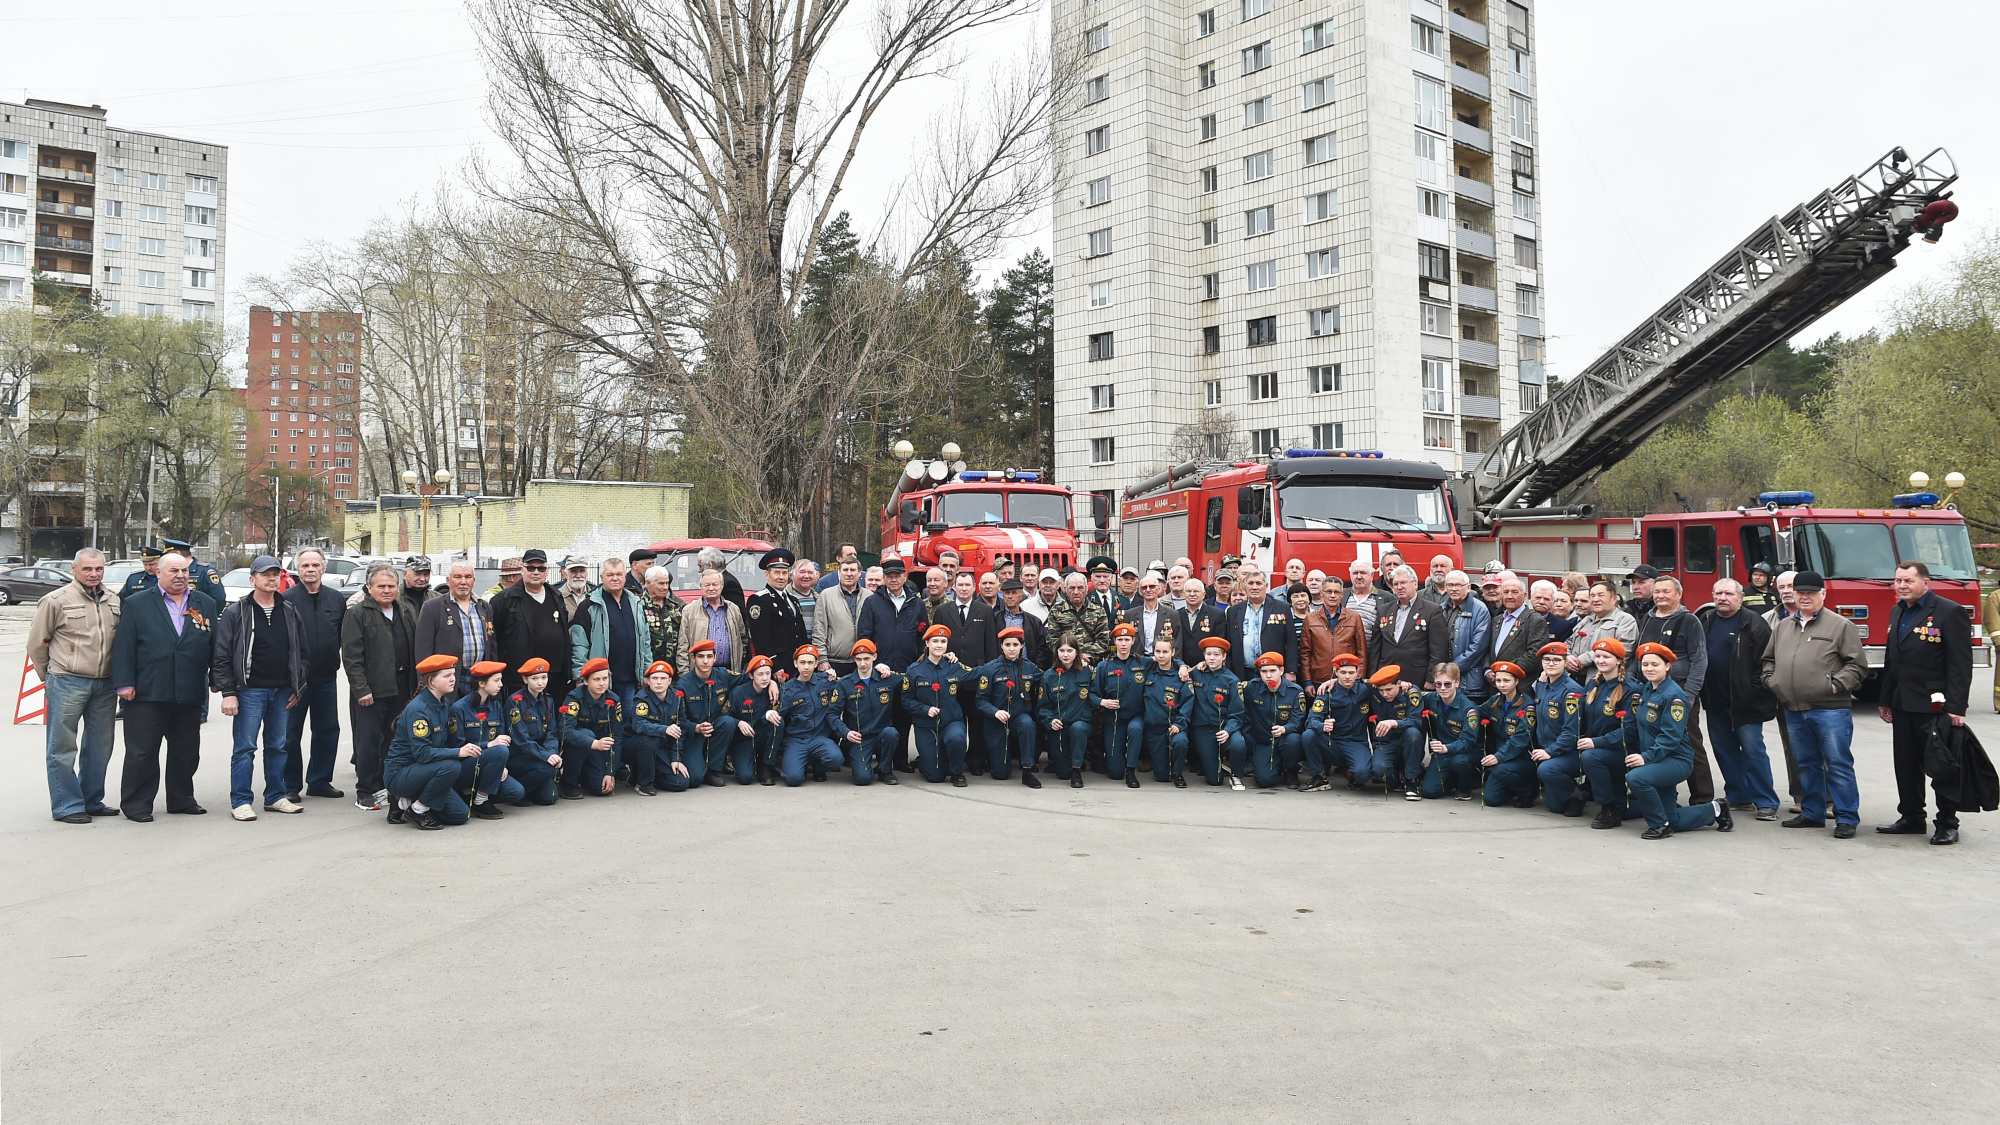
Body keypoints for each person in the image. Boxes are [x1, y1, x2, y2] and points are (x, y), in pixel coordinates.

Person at [112, 552, 217, 820]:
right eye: (173, 571)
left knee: (186, 751)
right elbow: (124, 646)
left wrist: (219, 680)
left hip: (189, 690)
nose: (180, 576)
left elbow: (214, 645)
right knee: (142, 752)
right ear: (158, 573)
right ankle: (137, 804)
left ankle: (181, 799)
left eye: (184, 571)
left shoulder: (204, 603)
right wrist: (124, 683)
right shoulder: (137, 603)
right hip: (148, 691)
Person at [1875, 561, 1973, 845]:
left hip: (1935, 705)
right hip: (1902, 703)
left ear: (1926, 582)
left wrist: (1957, 707)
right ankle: (1911, 816)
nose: (1902, 586)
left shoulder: (1949, 612)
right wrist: (1885, 700)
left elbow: (1960, 665)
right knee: (1905, 765)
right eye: (1898, 580)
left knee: (1941, 765)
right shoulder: (1897, 611)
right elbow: (1891, 660)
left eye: (1908, 581)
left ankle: (1947, 823)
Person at [1762, 571, 1866, 838]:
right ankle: (1812, 813)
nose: (1804, 597)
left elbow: (1857, 665)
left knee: (1838, 763)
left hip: (1830, 709)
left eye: (1810, 592)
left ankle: (1846, 818)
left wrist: (1836, 685)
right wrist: (1773, 681)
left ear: (1823, 594)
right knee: (1806, 763)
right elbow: (1769, 659)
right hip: (1794, 708)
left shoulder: (1840, 626)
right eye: (1800, 592)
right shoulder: (1783, 626)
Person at [211, 556, 307, 820]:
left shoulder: (289, 610)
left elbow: (302, 653)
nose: (272, 578)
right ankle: (241, 801)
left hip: (282, 692)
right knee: (245, 748)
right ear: (253, 579)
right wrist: (229, 693)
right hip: (249, 691)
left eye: (276, 574)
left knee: (278, 746)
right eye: (266, 574)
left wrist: (298, 686)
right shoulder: (236, 612)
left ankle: (276, 796)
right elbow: (221, 656)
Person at [32, 549, 122, 823]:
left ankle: (91, 799)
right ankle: (67, 806)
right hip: (67, 681)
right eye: (87, 569)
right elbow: (36, 643)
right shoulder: (56, 600)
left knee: (100, 746)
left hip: (105, 685)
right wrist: (50, 676)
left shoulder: (114, 601)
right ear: (74, 569)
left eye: (99, 569)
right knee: (62, 747)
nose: (94, 574)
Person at [1624, 643, 1732, 840]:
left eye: (1655, 664)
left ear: (1667, 666)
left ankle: (1659, 826)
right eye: (1645, 664)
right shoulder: (1648, 688)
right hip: (1658, 759)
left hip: (1675, 760)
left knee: (1636, 778)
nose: (1649, 668)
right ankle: (1716, 809)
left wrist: (1645, 758)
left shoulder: (1674, 696)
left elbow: (1670, 737)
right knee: (1674, 820)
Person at [1696, 578, 1781, 822]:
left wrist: (1754, 690)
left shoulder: (1754, 623)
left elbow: (1766, 662)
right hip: (1715, 701)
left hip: (1746, 703)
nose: (1723, 598)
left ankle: (1766, 801)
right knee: (1725, 751)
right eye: (1718, 593)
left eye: (1728, 594)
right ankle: (1738, 794)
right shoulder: (1706, 620)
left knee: (1754, 752)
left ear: (1740, 597)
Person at [341, 563, 416, 811]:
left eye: (391, 586)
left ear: (398, 587)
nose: (386, 590)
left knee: (393, 741)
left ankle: (389, 786)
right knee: (368, 742)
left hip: (401, 689)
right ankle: (366, 791)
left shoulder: (404, 611)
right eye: (381, 586)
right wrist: (361, 689)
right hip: (372, 691)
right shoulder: (358, 614)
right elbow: (352, 657)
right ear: (370, 587)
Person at [1635, 576, 1714, 805]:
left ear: (1679, 594)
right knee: (1652, 741)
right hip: (1650, 690)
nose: (1660, 596)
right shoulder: (1647, 619)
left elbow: (1699, 660)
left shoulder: (1689, 621)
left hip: (1678, 691)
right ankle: (1663, 797)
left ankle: (1703, 798)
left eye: (1666, 592)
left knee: (1689, 742)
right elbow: (1638, 655)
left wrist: (1689, 694)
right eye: (1657, 591)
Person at [276, 548, 347, 803]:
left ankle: (319, 781)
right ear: (298, 569)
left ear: (323, 569)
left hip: (327, 678)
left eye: (315, 565)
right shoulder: (284, 599)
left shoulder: (336, 599)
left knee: (327, 730)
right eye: (305, 565)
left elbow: (342, 636)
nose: (310, 569)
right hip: (295, 681)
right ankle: (290, 784)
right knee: (290, 733)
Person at [384, 654, 482, 830]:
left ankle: (403, 803)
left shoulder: (443, 703)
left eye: (453, 674)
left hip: (425, 771)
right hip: (402, 773)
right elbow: (422, 754)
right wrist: (458, 752)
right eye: (446, 676)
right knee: (452, 766)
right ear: (431, 681)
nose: (453, 679)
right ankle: (417, 809)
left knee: (459, 815)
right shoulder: (419, 710)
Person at [855, 557, 926, 769]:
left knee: (904, 716)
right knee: (881, 715)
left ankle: (901, 759)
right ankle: (882, 759)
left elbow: (923, 638)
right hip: (880, 669)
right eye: (889, 576)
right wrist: (873, 663)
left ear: (904, 577)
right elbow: (864, 635)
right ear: (883, 579)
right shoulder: (872, 602)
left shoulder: (917, 603)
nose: (893, 580)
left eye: (897, 576)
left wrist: (918, 664)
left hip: (907, 670)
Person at [570, 556, 650, 728]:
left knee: (627, 723)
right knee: (602, 725)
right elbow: (579, 645)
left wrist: (646, 671)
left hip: (630, 679)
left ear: (625, 576)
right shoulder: (589, 605)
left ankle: (622, 755)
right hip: (601, 680)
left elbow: (645, 642)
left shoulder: (635, 603)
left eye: (619, 574)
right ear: (602, 578)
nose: (615, 578)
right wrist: (579, 675)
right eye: (610, 575)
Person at [446, 660, 526, 816]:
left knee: (516, 792)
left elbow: (502, 737)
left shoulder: (495, 706)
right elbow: (457, 746)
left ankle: (472, 796)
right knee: (499, 750)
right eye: (496, 680)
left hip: (489, 765)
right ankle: (480, 801)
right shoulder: (459, 709)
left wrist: (500, 765)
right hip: (464, 767)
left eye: (501, 680)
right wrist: (488, 745)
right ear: (481, 683)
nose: (501, 684)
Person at [492, 548, 574, 701]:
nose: (536, 572)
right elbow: (494, 640)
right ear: (522, 570)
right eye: (531, 568)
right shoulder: (504, 600)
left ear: (547, 571)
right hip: (521, 680)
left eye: (541, 568)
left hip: (555, 677)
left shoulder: (556, 596)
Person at [1577, 639, 1637, 828]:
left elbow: (1629, 731)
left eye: (1606, 657)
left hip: (1622, 750)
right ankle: (1620, 805)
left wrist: (1596, 742)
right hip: (1603, 748)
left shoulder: (1631, 689)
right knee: (1625, 808)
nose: (1601, 660)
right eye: (1598, 656)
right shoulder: (1594, 685)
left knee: (1590, 757)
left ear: (1619, 660)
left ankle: (1608, 809)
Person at [904, 624, 972, 785]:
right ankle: (931, 761)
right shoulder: (914, 670)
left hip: (951, 721)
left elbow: (978, 672)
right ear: (927, 643)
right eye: (935, 641)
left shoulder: (954, 666)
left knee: (956, 738)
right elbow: (906, 700)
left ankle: (957, 772)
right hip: (926, 726)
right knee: (935, 776)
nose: (939, 645)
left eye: (943, 641)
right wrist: (925, 709)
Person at [974, 626, 1042, 786]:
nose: (1012, 649)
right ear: (1001, 646)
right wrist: (995, 712)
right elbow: (980, 700)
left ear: (1022, 646)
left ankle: (1027, 770)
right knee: (1001, 774)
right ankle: (996, 759)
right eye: (1007, 645)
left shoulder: (1029, 667)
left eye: (1015, 645)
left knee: (1028, 724)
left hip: (1019, 717)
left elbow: (1048, 677)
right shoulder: (990, 669)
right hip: (996, 721)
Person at [772, 645, 848, 786]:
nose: (806, 667)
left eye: (810, 663)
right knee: (793, 780)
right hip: (797, 739)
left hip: (820, 737)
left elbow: (848, 683)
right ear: (795, 663)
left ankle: (819, 768)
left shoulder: (827, 682)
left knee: (836, 759)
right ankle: (798, 763)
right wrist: (771, 712)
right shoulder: (788, 690)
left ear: (816, 664)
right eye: (802, 662)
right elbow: (778, 714)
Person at [416, 562, 493, 699]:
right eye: (457, 577)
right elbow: (423, 650)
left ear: (473, 580)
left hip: (478, 679)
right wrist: (426, 684)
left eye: (468, 577)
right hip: (447, 679)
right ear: (448, 580)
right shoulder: (433, 607)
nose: (463, 582)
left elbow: (491, 643)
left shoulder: (484, 607)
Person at [1370, 566, 1450, 691]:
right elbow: (1375, 648)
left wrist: (1431, 678)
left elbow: (1438, 649)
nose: (1399, 587)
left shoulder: (1432, 610)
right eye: (1395, 584)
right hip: (1386, 678)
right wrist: (1373, 676)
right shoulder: (1384, 610)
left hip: (1417, 677)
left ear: (1415, 584)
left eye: (1403, 582)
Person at [1526, 643, 1584, 814]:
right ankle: (1571, 789)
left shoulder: (1572, 691)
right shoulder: (1542, 684)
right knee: (1555, 807)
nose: (1551, 664)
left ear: (1565, 663)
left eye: (1557, 660)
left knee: (1546, 770)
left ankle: (1578, 795)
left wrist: (1550, 752)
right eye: (1547, 660)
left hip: (1568, 752)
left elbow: (1571, 732)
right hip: (1548, 751)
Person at [1409, 662, 1480, 800]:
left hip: (1464, 753)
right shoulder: (1432, 699)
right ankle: (1453, 778)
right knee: (1429, 791)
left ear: (1457, 683)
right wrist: (1408, 686)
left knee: (1460, 762)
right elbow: (1414, 697)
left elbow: (1468, 741)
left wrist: (1446, 748)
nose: (1442, 688)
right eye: (1438, 684)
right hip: (1443, 753)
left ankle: (1465, 786)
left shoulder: (1469, 709)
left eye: (1447, 684)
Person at [1181, 636, 1245, 788]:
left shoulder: (1232, 681)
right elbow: (1181, 671)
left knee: (1238, 744)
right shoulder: (1197, 673)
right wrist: (1189, 665)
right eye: (1208, 654)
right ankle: (1218, 765)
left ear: (1224, 657)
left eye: (1216, 654)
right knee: (1214, 781)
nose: (1212, 658)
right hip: (1203, 728)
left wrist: (1228, 731)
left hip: (1225, 726)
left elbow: (1237, 713)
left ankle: (1236, 775)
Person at [673, 639, 736, 787]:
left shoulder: (723, 675)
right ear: (693, 659)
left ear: (715, 658)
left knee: (728, 722)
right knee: (694, 779)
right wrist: (695, 728)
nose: (705, 661)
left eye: (709, 656)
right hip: (693, 735)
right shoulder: (683, 685)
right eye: (701, 657)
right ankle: (699, 766)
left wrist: (771, 683)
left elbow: (750, 677)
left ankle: (712, 770)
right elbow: (676, 719)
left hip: (715, 729)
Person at [558, 657, 624, 798]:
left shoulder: (613, 700)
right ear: (586, 681)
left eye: (605, 678)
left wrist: (610, 772)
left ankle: (585, 775)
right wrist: (593, 743)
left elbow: (617, 737)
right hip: (577, 747)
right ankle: (568, 783)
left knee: (600, 788)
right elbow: (565, 731)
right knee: (587, 734)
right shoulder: (574, 698)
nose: (602, 683)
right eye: (596, 679)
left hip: (598, 748)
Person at [1302, 653, 1369, 790]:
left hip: (1356, 742)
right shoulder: (1327, 692)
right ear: (1336, 672)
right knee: (1309, 735)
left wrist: (1404, 684)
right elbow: (1311, 720)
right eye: (1343, 672)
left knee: (1363, 775)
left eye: (1351, 672)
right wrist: (1322, 726)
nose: (1347, 676)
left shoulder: (1366, 689)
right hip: (1333, 743)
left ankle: (1350, 770)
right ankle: (1319, 777)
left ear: (1358, 673)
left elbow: (1387, 683)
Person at [838, 639, 899, 785]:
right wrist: (845, 732)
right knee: (862, 779)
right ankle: (862, 766)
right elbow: (832, 714)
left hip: (881, 735)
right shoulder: (845, 683)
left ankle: (885, 771)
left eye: (866, 658)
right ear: (854, 659)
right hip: (859, 738)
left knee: (891, 733)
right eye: (858, 659)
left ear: (875, 657)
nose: (863, 663)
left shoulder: (887, 678)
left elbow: (912, 677)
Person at [1241, 651, 1306, 789]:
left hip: (1285, 738)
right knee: (1264, 781)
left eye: (1272, 670)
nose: (1268, 675)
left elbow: (1297, 721)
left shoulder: (1295, 691)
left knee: (1293, 740)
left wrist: (1285, 729)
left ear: (1281, 670)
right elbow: (1231, 685)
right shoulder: (1252, 687)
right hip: (1264, 741)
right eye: (1264, 671)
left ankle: (1290, 770)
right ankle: (1275, 768)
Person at [1478, 661, 1538, 808]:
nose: (1502, 684)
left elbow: (1519, 740)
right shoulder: (1495, 701)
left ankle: (1529, 791)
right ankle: (1514, 788)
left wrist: (1498, 757)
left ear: (1516, 681)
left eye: (1507, 680)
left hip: (1523, 759)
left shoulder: (1527, 706)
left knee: (1499, 770)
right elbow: (1475, 712)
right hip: (1504, 759)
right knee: (1492, 799)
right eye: (1498, 680)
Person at [503, 657, 562, 805]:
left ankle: (528, 790)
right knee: (548, 770)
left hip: (539, 755)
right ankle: (518, 792)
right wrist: (545, 756)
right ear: (525, 679)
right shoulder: (515, 701)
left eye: (544, 677)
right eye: (534, 678)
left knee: (549, 798)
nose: (540, 682)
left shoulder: (549, 700)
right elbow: (521, 739)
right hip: (521, 756)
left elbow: (551, 732)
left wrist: (552, 753)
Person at [1093, 623, 1147, 786]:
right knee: (1115, 773)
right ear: (1114, 642)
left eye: (1127, 639)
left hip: (1135, 715)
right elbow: (1091, 694)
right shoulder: (1104, 666)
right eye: (1120, 640)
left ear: (1133, 641)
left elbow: (1166, 660)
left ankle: (1131, 770)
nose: (1123, 644)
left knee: (1136, 729)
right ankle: (1119, 761)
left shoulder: (1143, 662)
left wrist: (1181, 666)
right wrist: (1102, 701)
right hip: (1113, 718)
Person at [1222, 567, 1297, 682]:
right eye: (1251, 583)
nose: (1254, 587)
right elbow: (1229, 644)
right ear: (1245, 585)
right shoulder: (1234, 611)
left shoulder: (1282, 608)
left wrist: (1290, 671)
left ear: (1266, 586)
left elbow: (1291, 641)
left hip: (1273, 672)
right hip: (1243, 673)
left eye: (1259, 583)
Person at [1135, 635, 1192, 786]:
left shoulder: (1182, 676)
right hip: (1154, 730)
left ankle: (1178, 773)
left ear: (1173, 652)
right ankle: (1164, 766)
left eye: (1165, 652)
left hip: (1174, 727)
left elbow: (1188, 703)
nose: (1161, 655)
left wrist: (1179, 724)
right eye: (1157, 651)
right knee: (1162, 777)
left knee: (1180, 742)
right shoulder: (1147, 669)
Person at [622, 658, 682, 795]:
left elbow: (680, 729)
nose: (659, 682)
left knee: (679, 783)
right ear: (648, 681)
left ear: (670, 680)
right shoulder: (641, 699)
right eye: (654, 678)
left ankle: (650, 774)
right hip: (636, 747)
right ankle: (644, 783)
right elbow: (639, 725)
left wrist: (676, 758)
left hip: (661, 747)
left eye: (663, 678)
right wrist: (664, 729)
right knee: (650, 738)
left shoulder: (677, 698)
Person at [746, 549, 809, 678]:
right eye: (776, 573)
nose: (781, 577)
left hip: (797, 665)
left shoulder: (793, 600)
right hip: (778, 667)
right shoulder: (759, 600)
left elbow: (801, 634)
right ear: (767, 575)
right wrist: (774, 665)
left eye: (784, 573)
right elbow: (760, 640)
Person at [1039, 635, 1093, 787]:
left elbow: (1095, 695)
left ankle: (1076, 770)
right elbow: (1042, 707)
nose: (1066, 654)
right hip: (1059, 727)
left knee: (1078, 728)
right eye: (1061, 650)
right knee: (1063, 774)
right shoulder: (1049, 676)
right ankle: (1068, 762)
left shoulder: (1087, 672)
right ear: (1056, 653)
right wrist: (1050, 720)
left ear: (1077, 652)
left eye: (1070, 650)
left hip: (1080, 723)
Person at [1364, 665, 1422, 799]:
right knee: (1379, 770)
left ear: (1400, 684)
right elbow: (1352, 681)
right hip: (1385, 742)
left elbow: (1416, 720)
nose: (1385, 694)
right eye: (1381, 690)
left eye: (1389, 689)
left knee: (1413, 734)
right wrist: (1331, 681)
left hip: (1406, 740)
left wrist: (1394, 723)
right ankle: (1396, 781)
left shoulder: (1410, 692)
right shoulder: (1373, 689)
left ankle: (1411, 781)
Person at [679, 567, 748, 676]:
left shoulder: (733, 609)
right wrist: (685, 676)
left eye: (715, 584)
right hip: (699, 674)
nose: (711, 588)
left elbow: (743, 640)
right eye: (707, 585)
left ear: (722, 585)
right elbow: (682, 647)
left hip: (730, 673)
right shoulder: (689, 611)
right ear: (700, 587)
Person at [1301, 574, 1367, 689]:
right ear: (1322, 593)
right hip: (1319, 679)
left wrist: (1358, 679)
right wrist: (1307, 681)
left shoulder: (1354, 617)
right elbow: (1305, 653)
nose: (1332, 595)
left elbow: (1362, 652)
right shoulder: (1310, 618)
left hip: (1347, 679)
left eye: (1336, 592)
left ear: (1342, 595)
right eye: (1329, 591)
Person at [813, 554, 871, 677]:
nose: (849, 574)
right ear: (840, 572)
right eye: (845, 570)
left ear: (860, 573)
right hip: (835, 662)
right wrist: (822, 659)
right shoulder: (826, 596)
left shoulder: (869, 596)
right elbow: (819, 628)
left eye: (853, 570)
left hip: (863, 661)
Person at [1437, 570, 1492, 698]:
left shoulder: (1480, 609)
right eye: (1450, 585)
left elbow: (1478, 647)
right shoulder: (1440, 609)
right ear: (1445, 587)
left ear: (1468, 588)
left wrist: (1452, 670)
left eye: (1459, 585)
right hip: (1444, 680)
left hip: (1470, 681)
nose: (1454, 589)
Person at [1566, 580, 1639, 677]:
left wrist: (1586, 659)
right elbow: (1568, 643)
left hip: (1604, 680)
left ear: (1614, 599)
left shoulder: (1625, 620)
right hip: (1575, 679)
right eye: (1592, 596)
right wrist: (1567, 657)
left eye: (1601, 595)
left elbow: (1624, 649)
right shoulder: (1586, 620)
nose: (1595, 599)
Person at [729, 656, 783, 785]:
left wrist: (771, 713)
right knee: (745, 777)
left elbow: (783, 710)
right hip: (743, 739)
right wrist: (738, 722)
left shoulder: (774, 691)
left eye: (768, 674)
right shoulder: (738, 693)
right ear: (751, 676)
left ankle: (766, 765)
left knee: (778, 721)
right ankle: (751, 763)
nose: (765, 678)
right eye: (760, 674)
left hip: (762, 736)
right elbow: (725, 716)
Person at [1122, 570, 1190, 666]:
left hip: (1163, 663)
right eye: (1145, 587)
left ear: (1158, 589)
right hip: (1137, 663)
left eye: (1152, 586)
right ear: (1140, 591)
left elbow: (1177, 643)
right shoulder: (1130, 614)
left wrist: (1176, 664)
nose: (1148, 590)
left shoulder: (1172, 614)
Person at [638, 566, 682, 676]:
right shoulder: (638, 607)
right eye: (661, 583)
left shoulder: (674, 607)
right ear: (648, 583)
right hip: (649, 670)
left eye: (667, 583)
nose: (665, 587)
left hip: (672, 671)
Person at [162, 537, 227, 608]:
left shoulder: (205, 572)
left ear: (178, 553)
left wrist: (206, 616)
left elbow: (219, 599)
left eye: (168, 555)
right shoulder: (168, 571)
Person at [398, 556, 436, 621]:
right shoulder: (394, 598)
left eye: (426, 574)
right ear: (405, 574)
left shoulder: (436, 598)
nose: (422, 579)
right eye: (417, 574)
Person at [791, 560, 821, 638]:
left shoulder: (820, 599)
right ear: (792, 575)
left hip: (814, 647)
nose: (806, 576)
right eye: (802, 572)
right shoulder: (785, 598)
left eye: (810, 573)